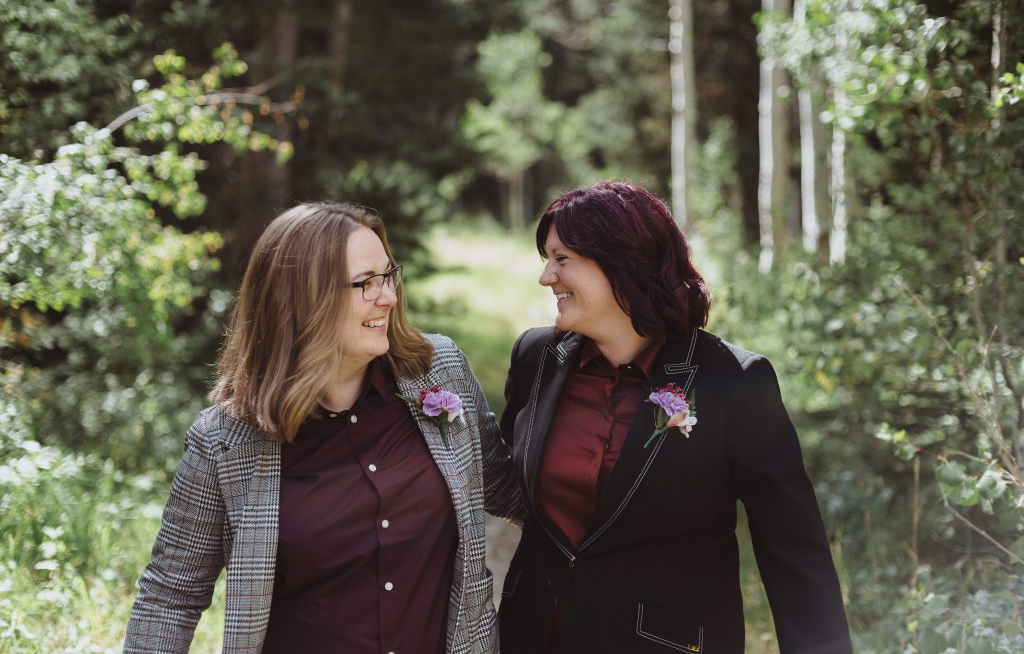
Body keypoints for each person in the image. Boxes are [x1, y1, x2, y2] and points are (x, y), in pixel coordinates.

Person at [125, 202, 520, 654]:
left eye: (388, 276)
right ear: (303, 299)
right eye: (365, 283)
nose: (388, 297)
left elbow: (510, 489)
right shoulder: (225, 442)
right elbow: (170, 596)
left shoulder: (440, 370)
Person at [497, 182, 852, 653]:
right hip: (531, 637)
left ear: (622, 263)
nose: (546, 276)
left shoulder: (734, 380)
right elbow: (503, 485)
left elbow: (792, 549)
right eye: (547, 258)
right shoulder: (536, 357)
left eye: (562, 259)